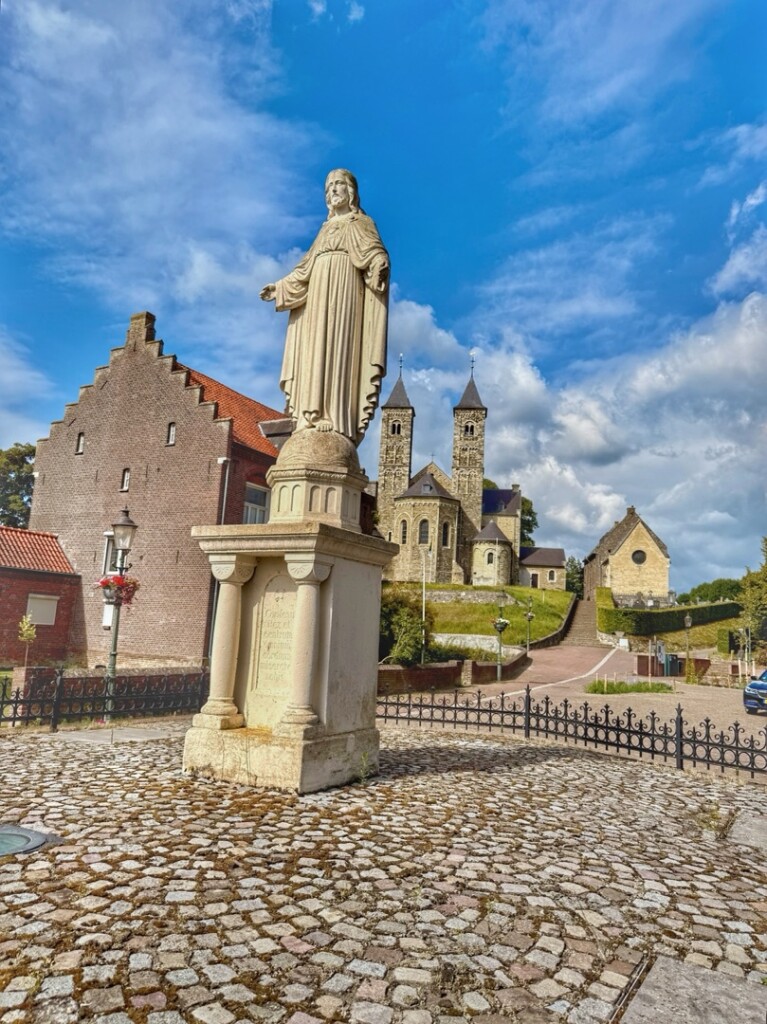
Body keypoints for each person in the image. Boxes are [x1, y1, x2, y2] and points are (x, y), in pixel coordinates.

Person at [260, 169, 389, 446]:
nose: (332, 190)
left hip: (345, 298)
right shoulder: (324, 230)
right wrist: (280, 287)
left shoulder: (361, 223)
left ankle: (334, 415)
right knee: (314, 353)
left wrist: (379, 265)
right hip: (317, 302)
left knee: (337, 352)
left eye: (338, 184)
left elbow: (376, 254)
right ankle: (309, 416)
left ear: (351, 191)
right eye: (328, 186)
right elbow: (304, 270)